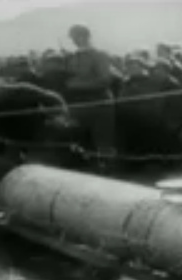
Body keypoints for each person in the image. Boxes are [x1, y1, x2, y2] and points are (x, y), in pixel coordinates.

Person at [66, 24, 116, 173]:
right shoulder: (73, 57)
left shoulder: (100, 55)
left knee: (103, 142)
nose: (75, 40)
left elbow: (105, 80)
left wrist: (76, 85)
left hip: (100, 104)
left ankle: (108, 173)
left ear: (86, 36)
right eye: (73, 37)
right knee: (82, 142)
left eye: (77, 36)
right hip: (79, 105)